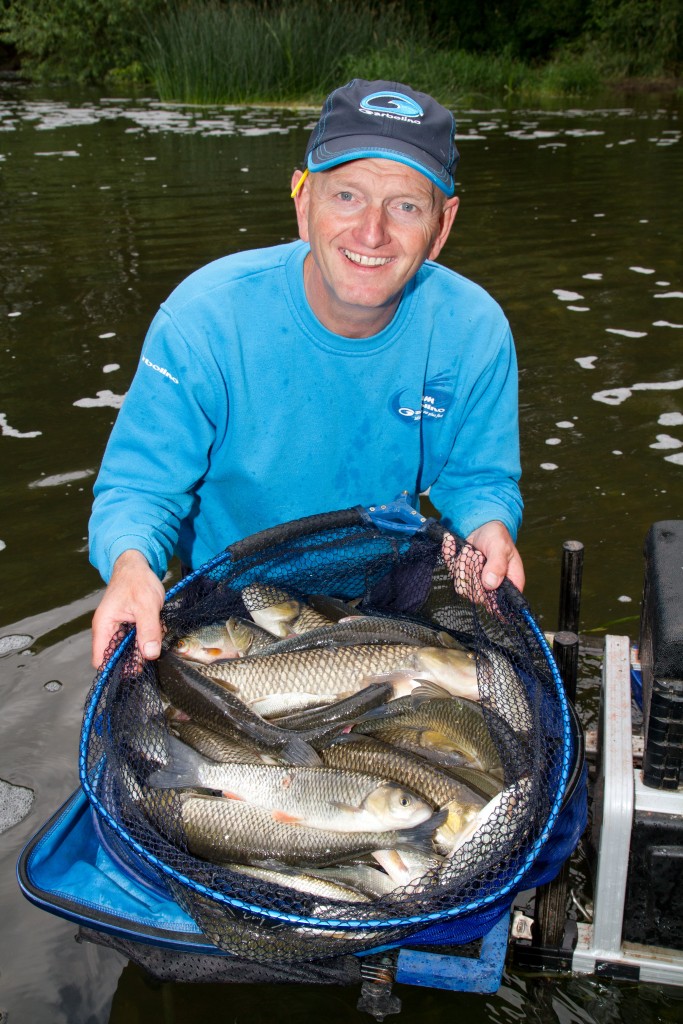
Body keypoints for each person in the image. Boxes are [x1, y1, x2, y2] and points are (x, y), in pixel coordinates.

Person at [89, 79, 524, 668]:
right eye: (346, 195)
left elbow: (477, 481)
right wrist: (131, 563)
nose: (372, 232)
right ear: (303, 202)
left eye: (405, 205)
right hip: (229, 606)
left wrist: (489, 527)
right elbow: (139, 489)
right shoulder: (203, 320)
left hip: (385, 607)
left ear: (441, 227)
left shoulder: (475, 332)